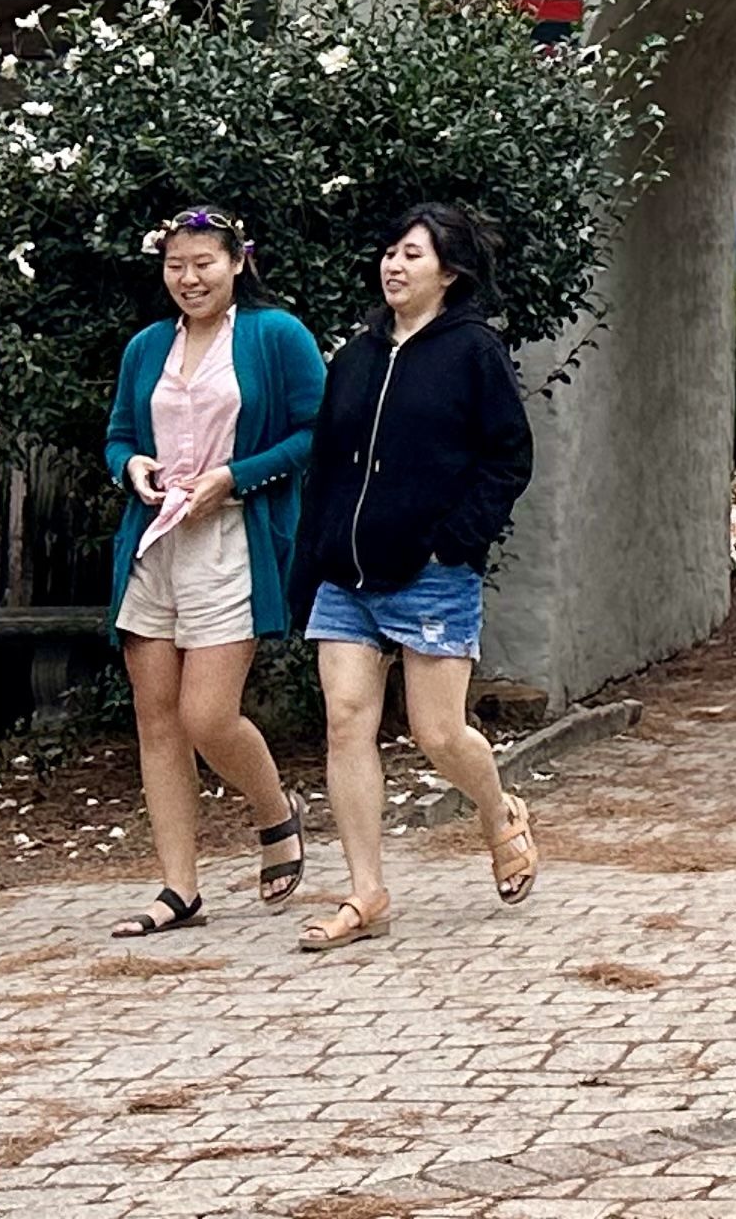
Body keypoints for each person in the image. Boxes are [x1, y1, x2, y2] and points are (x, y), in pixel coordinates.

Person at [287, 204, 538, 954]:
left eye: (413, 255)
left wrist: (453, 543)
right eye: (390, 252)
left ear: (448, 272)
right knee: (346, 722)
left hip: (431, 575)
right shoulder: (357, 356)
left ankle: (498, 812)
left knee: (437, 733)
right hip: (346, 577)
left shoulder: (473, 352)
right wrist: (312, 558)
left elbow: (508, 458)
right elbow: (328, 465)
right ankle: (365, 893)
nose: (394, 266)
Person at [101, 207, 328, 939]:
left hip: (232, 539)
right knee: (156, 719)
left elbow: (316, 432)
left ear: (237, 262)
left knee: (207, 714)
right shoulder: (146, 346)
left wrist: (234, 476)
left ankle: (275, 810)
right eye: (176, 265)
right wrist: (132, 467)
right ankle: (179, 889)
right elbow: (119, 436)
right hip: (154, 543)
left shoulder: (276, 335)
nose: (189, 278)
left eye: (204, 263)